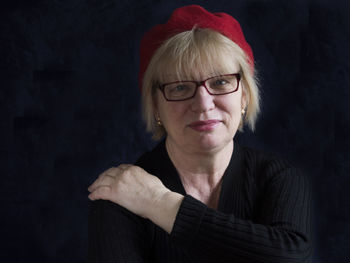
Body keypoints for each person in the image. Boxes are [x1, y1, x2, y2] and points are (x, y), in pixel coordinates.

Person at [87, 5, 312, 263]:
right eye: (181, 87)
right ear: (156, 105)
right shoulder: (120, 194)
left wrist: (159, 202)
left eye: (220, 82)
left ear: (244, 97)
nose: (203, 103)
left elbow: (289, 258)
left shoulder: (279, 178)